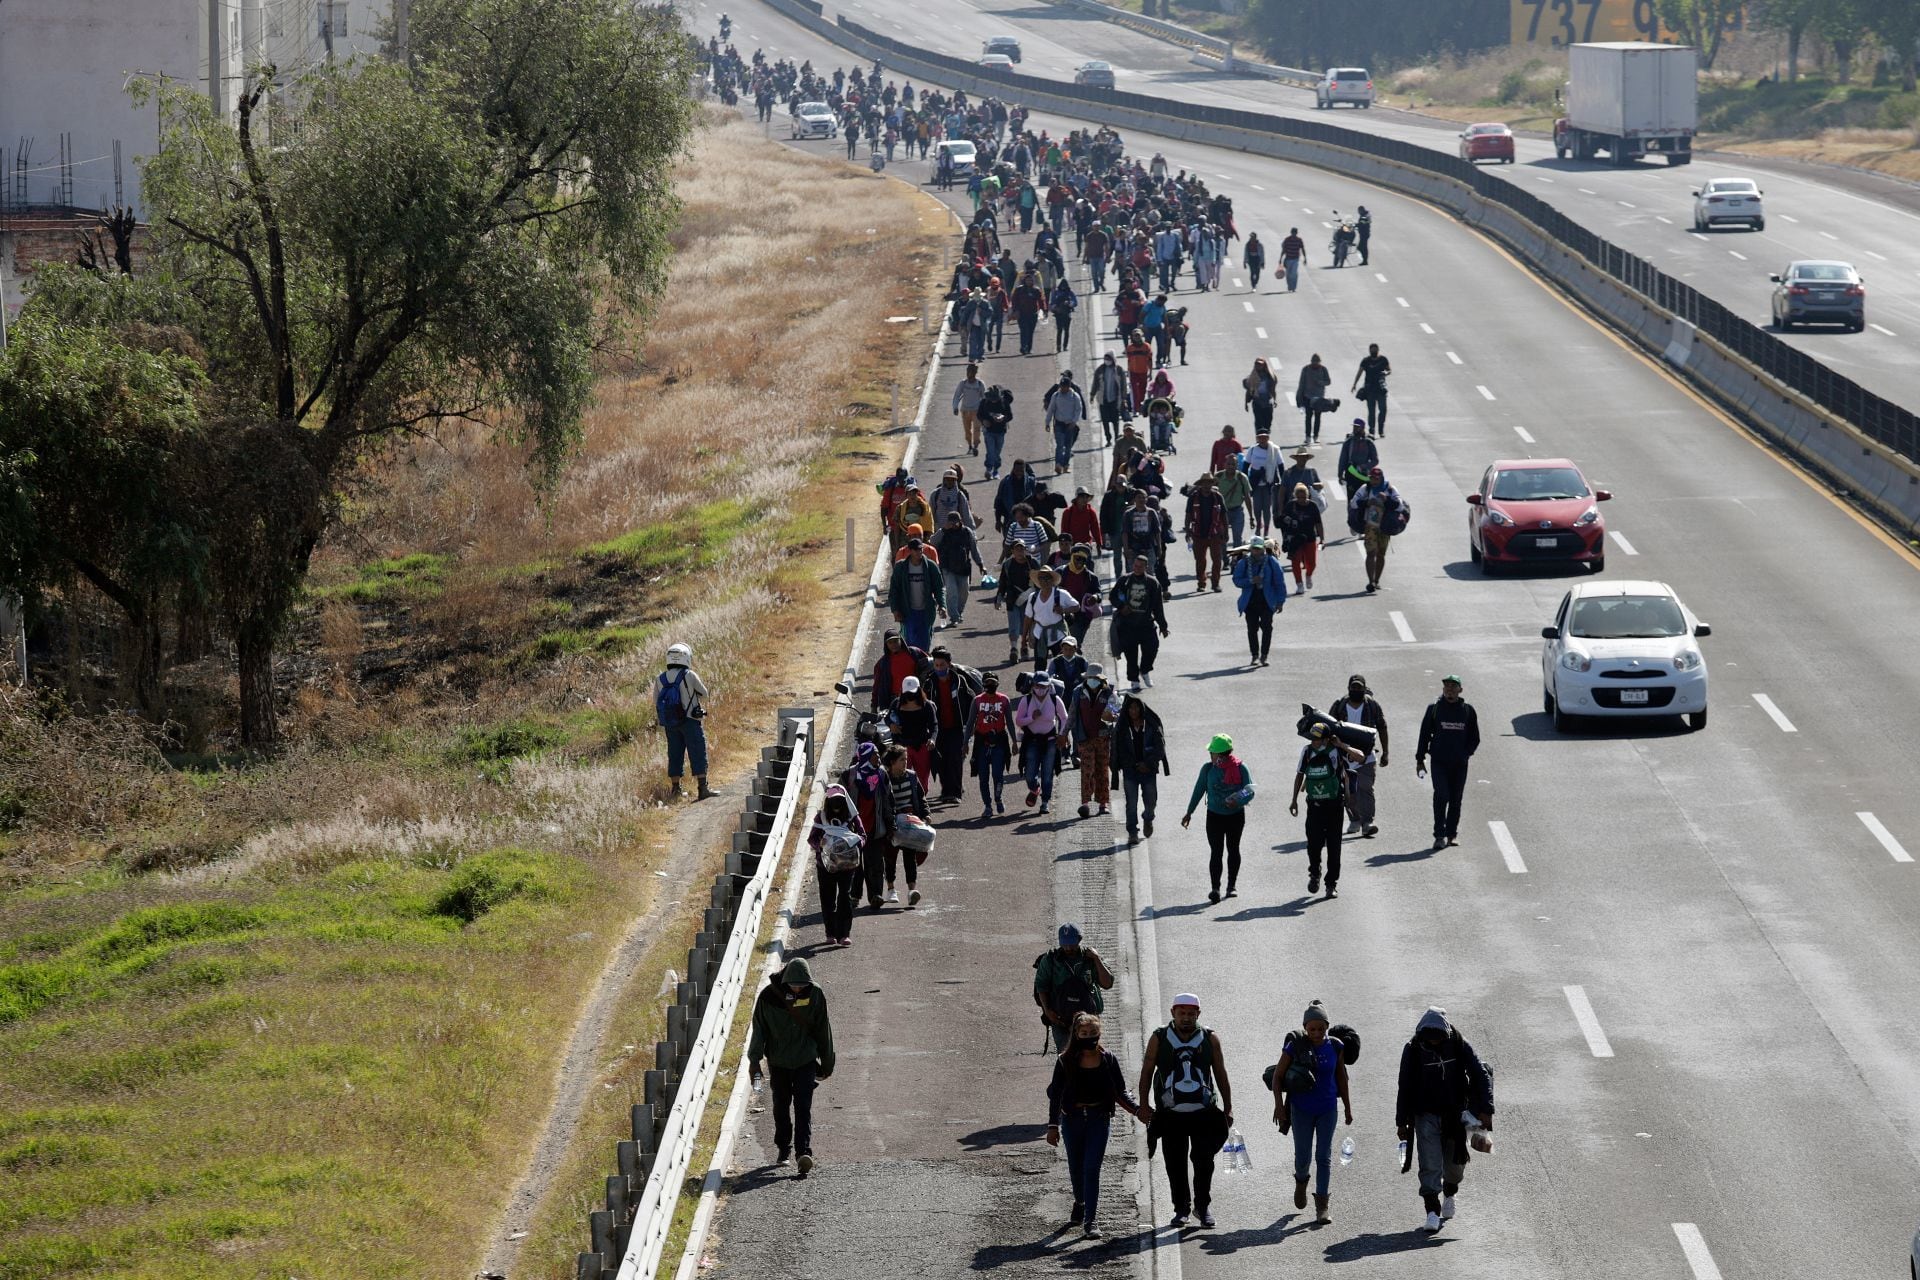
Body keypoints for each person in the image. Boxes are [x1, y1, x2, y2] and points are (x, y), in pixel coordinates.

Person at [1137, 994, 1234, 1230]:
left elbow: (1220, 1073)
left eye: (1191, 1014)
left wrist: (1229, 1107)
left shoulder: (1210, 1038)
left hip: (1204, 1112)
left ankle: (1202, 1207)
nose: (1186, 1018)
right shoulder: (1159, 1038)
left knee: (1204, 1162)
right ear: (1173, 1013)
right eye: (1182, 1013)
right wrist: (1143, 1103)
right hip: (1171, 1114)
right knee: (1175, 1163)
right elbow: (1147, 1070)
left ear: (1198, 1014)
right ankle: (1181, 1209)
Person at [1395, 1006, 1494, 1234]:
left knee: (1455, 1165)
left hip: (1456, 1116)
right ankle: (1431, 1210)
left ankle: (1450, 1192)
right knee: (1429, 1163)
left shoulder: (1458, 1043)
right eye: (1430, 1038)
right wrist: (1402, 1121)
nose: (1434, 1042)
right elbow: (1405, 1086)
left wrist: (1486, 1109)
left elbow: (1480, 1073)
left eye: (1438, 1038)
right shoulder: (1412, 1050)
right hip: (1425, 1115)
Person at [1046, 1012, 1144, 1240]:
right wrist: (1052, 1126)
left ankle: (1091, 1220)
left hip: (1099, 1119)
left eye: (1093, 1033)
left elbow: (1120, 1092)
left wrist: (1138, 1111)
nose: (1089, 1036)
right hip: (1073, 1120)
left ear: (1099, 1033)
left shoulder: (1108, 1059)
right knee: (1076, 1168)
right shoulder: (1064, 1061)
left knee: (1092, 1168)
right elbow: (1056, 1095)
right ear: (1076, 1034)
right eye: (1084, 1033)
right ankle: (1080, 1202)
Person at [747, 957, 834, 1177]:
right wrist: (755, 1060)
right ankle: (783, 1148)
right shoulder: (768, 996)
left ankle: (803, 1152)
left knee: (803, 1107)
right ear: (786, 981)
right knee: (781, 1105)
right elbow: (759, 1029)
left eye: (802, 985)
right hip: (778, 1062)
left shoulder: (815, 994)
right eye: (795, 985)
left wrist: (827, 1062)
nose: (798, 989)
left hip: (805, 1061)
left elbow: (823, 1028)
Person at [1272, 1002, 1353, 1226]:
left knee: (1324, 1156)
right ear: (1305, 1027)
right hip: (1301, 1110)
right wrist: (1280, 1107)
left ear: (1327, 1026)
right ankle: (1301, 1181)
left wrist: (1347, 1106)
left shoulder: (1336, 1046)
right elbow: (1277, 1077)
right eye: (1312, 1029)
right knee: (1303, 1155)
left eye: (1321, 1028)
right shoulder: (1295, 1047)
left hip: (1327, 1109)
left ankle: (1322, 1206)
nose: (1316, 1033)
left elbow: (1341, 1078)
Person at [1289, 723, 1362, 897]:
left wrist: (1341, 745)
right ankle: (1314, 874)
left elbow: (1360, 757)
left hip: (1335, 806)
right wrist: (1294, 800)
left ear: (1327, 738)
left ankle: (1331, 884)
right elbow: (1300, 774)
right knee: (1313, 845)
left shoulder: (1336, 750)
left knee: (1334, 847)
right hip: (1314, 806)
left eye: (1318, 738)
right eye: (1312, 738)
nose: (1314, 741)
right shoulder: (1306, 751)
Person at [1181, 733, 1252, 903]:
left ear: (1221, 755)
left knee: (1233, 849)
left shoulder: (1241, 768)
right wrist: (1189, 812)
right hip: (1214, 817)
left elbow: (1249, 790)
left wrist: (1237, 800)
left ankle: (1231, 886)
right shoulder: (1207, 769)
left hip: (1235, 816)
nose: (1210, 756)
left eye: (1212, 753)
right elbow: (1198, 791)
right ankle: (1215, 888)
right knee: (1216, 852)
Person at [1415, 675, 1480, 852]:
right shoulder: (1435, 709)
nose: (1449, 690)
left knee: (1455, 799)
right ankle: (1439, 835)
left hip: (1459, 764)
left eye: (1453, 687)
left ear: (1460, 690)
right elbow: (1424, 735)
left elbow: (1475, 737)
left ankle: (1452, 834)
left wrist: (1466, 754)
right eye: (1447, 687)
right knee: (1441, 795)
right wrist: (1420, 760)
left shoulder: (1467, 711)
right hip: (1439, 762)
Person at [1034, 924, 1115, 1051]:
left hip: (1088, 1021)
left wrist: (1096, 959)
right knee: (1066, 1058)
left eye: (1072, 944)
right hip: (1061, 1020)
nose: (1068, 948)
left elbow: (1107, 984)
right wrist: (1048, 1011)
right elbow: (1041, 986)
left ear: (1079, 939)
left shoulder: (1089, 958)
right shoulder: (1050, 959)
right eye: (1064, 944)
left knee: (1090, 1055)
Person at [1329, 674, 1389, 838]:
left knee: (1366, 787)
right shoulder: (1339, 705)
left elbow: (1382, 727)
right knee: (1349, 791)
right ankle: (1355, 819)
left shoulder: (1372, 706)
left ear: (1364, 688)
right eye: (1353, 687)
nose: (1356, 690)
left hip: (1367, 756)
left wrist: (1386, 752)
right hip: (1344, 756)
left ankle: (1368, 823)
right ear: (1349, 688)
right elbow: (1329, 728)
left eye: (1359, 687)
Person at [655, 642, 714, 800]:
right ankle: (703, 788)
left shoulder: (660, 679)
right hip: (690, 720)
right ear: (685, 657)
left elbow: (656, 702)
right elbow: (704, 694)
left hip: (670, 723)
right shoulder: (689, 675)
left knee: (674, 754)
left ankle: (676, 790)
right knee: (697, 751)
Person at [808, 783, 865, 946]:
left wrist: (853, 844)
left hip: (847, 865)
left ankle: (844, 934)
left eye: (840, 800)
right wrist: (822, 844)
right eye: (834, 801)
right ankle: (830, 933)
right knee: (828, 899)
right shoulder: (821, 817)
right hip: (825, 866)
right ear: (828, 802)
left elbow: (862, 835)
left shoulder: (852, 817)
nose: (837, 804)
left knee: (845, 897)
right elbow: (812, 838)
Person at [874, 743, 929, 906]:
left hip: (910, 823)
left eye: (906, 759)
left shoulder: (911, 776)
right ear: (892, 762)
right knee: (890, 857)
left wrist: (926, 814)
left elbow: (921, 797)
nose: (905, 762)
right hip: (892, 824)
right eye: (901, 760)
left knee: (910, 856)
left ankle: (912, 890)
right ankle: (891, 889)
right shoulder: (884, 779)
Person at [924, 647, 980, 803]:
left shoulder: (960, 682)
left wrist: (973, 723)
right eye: (936, 665)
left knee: (955, 758)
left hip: (957, 727)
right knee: (941, 760)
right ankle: (946, 791)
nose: (939, 668)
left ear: (948, 664)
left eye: (942, 665)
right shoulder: (929, 684)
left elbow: (971, 701)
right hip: (938, 728)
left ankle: (955, 793)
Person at [1110, 693, 1167, 843]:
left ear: (1141, 710)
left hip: (1148, 771)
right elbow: (1120, 752)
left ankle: (1148, 818)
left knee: (1151, 800)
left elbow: (1159, 749)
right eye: (1130, 708)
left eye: (1136, 708)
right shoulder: (1122, 729)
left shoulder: (1151, 727)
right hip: (1130, 772)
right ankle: (1132, 832)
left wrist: (1147, 764)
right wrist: (1135, 765)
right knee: (1131, 803)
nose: (1133, 711)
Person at [1109, 555, 1169, 691]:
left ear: (1146, 567)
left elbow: (1158, 607)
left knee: (1152, 648)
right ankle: (1134, 680)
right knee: (1131, 655)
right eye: (1135, 566)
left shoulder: (1153, 583)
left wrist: (1163, 626)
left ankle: (1145, 670)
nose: (1136, 568)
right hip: (1128, 625)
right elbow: (1112, 596)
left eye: (1140, 566)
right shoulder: (1125, 580)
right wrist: (1121, 606)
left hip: (1146, 624)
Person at [1347, 465, 1408, 594]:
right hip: (1370, 526)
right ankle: (1370, 582)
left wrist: (1386, 500)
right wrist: (1366, 503)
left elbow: (1399, 506)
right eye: (1371, 478)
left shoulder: (1390, 489)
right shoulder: (1365, 488)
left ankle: (1377, 580)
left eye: (1376, 478)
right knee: (1371, 553)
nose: (1373, 480)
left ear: (1381, 478)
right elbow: (1353, 502)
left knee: (1381, 554)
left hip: (1385, 526)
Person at [1014, 672, 1068, 814]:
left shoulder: (1055, 699)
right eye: (1037, 685)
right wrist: (1031, 718)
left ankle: (1045, 802)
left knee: (1047, 773)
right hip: (1031, 741)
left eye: (1043, 686)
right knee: (1030, 774)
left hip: (1050, 742)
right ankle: (1034, 788)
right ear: (1032, 685)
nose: (1040, 688)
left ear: (1049, 686)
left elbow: (1064, 718)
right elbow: (1019, 720)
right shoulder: (1026, 700)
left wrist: (1062, 734)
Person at [1230, 536, 1287, 667]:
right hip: (1250, 602)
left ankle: (1264, 655)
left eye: (1258, 549)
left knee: (1267, 627)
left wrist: (1280, 601)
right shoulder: (1244, 563)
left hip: (1267, 601)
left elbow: (1280, 583)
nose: (1256, 552)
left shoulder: (1272, 562)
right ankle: (1254, 655)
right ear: (1251, 549)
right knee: (1252, 628)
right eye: (1254, 549)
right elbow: (1236, 580)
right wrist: (1250, 581)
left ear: (1263, 549)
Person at [1068, 663, 1116, 818]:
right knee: (1087, 770)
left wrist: (1112, 718)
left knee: (1102, 770)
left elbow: (1118, 713)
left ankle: (1103, 803)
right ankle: (1085, 803)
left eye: (1095, 678)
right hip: (1085, 738)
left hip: (1103, 738)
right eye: (1090, 678)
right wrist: (1063, 733)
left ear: (1101, 679)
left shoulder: (1109, 693)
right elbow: (1072, 715)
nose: (1092, 680)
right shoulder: (1078, 692)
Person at [967, 670, 1014, 818]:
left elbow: (1010, 722)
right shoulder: (977, 701)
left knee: (997, 775)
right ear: (983, 685)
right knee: (983, 777)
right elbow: (970, 723)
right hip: (981, 743)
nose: (990, 686)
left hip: (999, 742)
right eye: (987, 684)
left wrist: (1014, 742)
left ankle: (998, 799)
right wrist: (965, 743)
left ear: (997, 685)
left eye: (993, 684)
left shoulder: (1004, 700)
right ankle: (987, 805)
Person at [888, 535, 946, 651]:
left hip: (926, 611)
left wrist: (942, 605)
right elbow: (894, 590)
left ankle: (923, 664)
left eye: (921, 549)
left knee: (925, 643)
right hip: (908, 612)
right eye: (916, 549)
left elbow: (939, 588)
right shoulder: (901, 567)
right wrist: (895, 610)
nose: (919, 552)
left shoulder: (931, 566)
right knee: (910, 643)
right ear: (910, 551)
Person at [933, 511, 984, 629]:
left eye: (955, 522)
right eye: (951, 522)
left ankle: (959, 612)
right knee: (952, 592)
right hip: (947, 567)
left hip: (963, 567)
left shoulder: (967, 532)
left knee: (964, 592)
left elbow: (974, 550)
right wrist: (943, 530)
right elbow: (932, 542)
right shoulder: (943, 532)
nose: (953, 524)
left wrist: (981, 564)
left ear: (960, 521)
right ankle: (954, 617)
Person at [1182, 472, 1228, 593]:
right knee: (1200, 560)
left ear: (1213, 484)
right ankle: (1201, 583)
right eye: (1205, 483)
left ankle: (1215, 583)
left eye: (1210, 483)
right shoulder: (1193, 497)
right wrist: (1187, 531)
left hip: (1215, 534)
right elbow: (1188, 515)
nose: (1207, 485)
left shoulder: (1218, 496)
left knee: (1217, 560)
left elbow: (1223, 515)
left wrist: (1226, 532)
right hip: (1198, 534)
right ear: (1201, 484)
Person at [1278, 482, 1324, 593]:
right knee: (1295, 562)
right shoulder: (1290, 505)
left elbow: (1318, 523)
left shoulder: (1312, 506)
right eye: (1298, 497)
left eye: (1303, 497)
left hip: (1310, 538)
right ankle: (1299, 584)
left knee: (1312, 563)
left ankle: (1308, 575)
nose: (1301, 500)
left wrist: (1322, 539)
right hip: (1295, 538)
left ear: (1308, 496)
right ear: (1295, 496)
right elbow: (1282, 520)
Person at [1044, 371, 1087, 476]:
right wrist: (1047, 422)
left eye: (1064, 386)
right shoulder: (1056, 395)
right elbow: (1051, 409)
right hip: (1059, 424)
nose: (1062, 388)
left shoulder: (1074, 396)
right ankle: (1058, 465)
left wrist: (1074, 421)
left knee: (1068, 447)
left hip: (1070, 425)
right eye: (1061, 386)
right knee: (1059, 445)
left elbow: (1078, 409)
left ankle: (1065, 465)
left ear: (1068, 386)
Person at [1243, 428, 1282, 537]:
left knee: (1266, 508)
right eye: (1260, 437)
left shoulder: (1274, 450)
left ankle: (1266, 529)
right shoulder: (1252, 450)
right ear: (1257, 438)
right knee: (1257, 507)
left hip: (1269, 483)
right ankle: (1258, 524)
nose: (1262, 439)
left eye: (1265, 437)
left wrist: (1283, 482)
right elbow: (1245, 466)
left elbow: (1280, 466)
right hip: (1255, 483)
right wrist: (1244, 482)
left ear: (1268, 438)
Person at [1336, 418, 1379, 507]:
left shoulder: (1368, 442)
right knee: (1351, 499)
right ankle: (1351, 518)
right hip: (1351, 474)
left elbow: (1375, 460)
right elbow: (1343, 459)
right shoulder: (1348, 442)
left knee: (1364, 498)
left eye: (1357, 427)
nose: (1355, 429)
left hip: (1364, 475)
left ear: (1363, 428)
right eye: (1354, 427)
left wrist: (1364, 466)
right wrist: (1340, 474)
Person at [1352, 342, 1391, 437]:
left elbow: (1389, 370)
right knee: (1371, 411)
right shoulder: (1366, 361)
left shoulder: (1383, 359)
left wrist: (1385, 373)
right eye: (1372, 350)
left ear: (1378, 350)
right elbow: (1360, 372)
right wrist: (1355, 384)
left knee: (1383, 409)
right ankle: (1372, 430)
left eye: (1375, 349)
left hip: (1381, 389)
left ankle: (1381, 430)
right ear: (1369, 350)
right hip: (1370, 390)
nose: (1374, 351)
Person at [1091, 351, 1130, 445]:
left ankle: (1117, 438)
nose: (1107, 361)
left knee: (1115, 420)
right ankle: (1108, 439)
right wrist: (1092, 394)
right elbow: (1095, 383)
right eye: (1105, 359)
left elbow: (1123, 385)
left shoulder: (1119, 370)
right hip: (1103, 400)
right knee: (1105, 420)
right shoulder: (1100, 370)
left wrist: (1124, 399)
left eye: (1109, 359)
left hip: (1115, 399)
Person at [1213, 453, 1250, 547]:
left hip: (1237, 511)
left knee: (1237, 538)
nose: (1230, 466)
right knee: (1222, 537)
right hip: (1222, 512)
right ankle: (1224, 559)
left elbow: (1247, 497)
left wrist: (1251, 516)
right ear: (1224, 464)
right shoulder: (1218, 476)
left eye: (1233, 464)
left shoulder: (1242, 478)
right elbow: (1211, 494)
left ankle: (1236, 559)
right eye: (1228, 464)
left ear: (1237, 465)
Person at [979, 383, 1014, 481]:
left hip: (1000, 431)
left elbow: (1010, 416)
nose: (993, 401)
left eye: (995, 399)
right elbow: (979, 414)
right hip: (988, 431)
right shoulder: (984, 402)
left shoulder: (1004, 403)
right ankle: (989, 469)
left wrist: (1003, 418)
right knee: (990, 451)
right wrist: (983, 421)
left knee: (997, 452)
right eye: (992, 399)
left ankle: (996, 470)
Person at [1295, 355, 1332, 444]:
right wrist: (1299, 397)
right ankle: (1307, 436)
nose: (1315, 364)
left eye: (1317, 362)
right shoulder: (1306, 369)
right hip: (1307, 397)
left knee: (1318, 417)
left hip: (1319, 398)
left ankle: (1316, 436)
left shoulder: (1323, 369)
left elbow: (1328, 381)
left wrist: (1320, 383)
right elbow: (1301, 383)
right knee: (1308, 417)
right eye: (1313, 362)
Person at [952, 364, 987, 456]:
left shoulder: (979, 384)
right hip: (965, 411)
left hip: (976, 410)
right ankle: (970, 446)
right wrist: (955, 407)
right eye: (968, 372)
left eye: (971, 372)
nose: (969, 374)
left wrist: (985, 410)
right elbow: (957, 395)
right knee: (967, 430)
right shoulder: (963, 383)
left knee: (976, 429)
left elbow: (984, 398)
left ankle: (975, 446)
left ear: (975, 373)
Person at [1243, 357, 1278, 439]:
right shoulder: (1252, 376)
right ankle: (1259, 438)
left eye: (1260, 365)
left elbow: (1273, 389)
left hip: (1267, 401)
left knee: (1268, 421)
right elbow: (1248, 389)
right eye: (1257, 364)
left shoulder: (1270, 377)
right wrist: (1246, 403)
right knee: (1258, 421)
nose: (1258, 366)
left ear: (1264, 365)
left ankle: (1266, 435)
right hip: (1257, 401)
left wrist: (1275, 400)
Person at [1050, 278, 1079, 353]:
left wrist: (1069, 303)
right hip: (1058, 314)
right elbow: (1052, 303)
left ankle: (1065, 346)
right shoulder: (1056, 292)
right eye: (1062, 285)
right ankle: (1058, 346)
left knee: (1066, 330)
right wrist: (1055, 307)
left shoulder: (1070, 292)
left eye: (1064, 286)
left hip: (1067, 314)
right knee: (1059, 330)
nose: (1063, 287)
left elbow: (1075, 302)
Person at [1279, 226, 1306, 292]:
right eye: (1293, 233)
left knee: (1293, 273)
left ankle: (1293, 287)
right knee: (1288, 274)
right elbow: (1284, 250)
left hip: (1295, 259)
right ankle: (1289, 286)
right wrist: (1280, 258)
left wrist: (1305, 258)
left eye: (1295, 233)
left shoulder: (1299, 240)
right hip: (1288, 259)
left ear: (1296, 233)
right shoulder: (1287, 240)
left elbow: (1302, 249)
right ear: (1291, 233)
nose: (1294, 234)